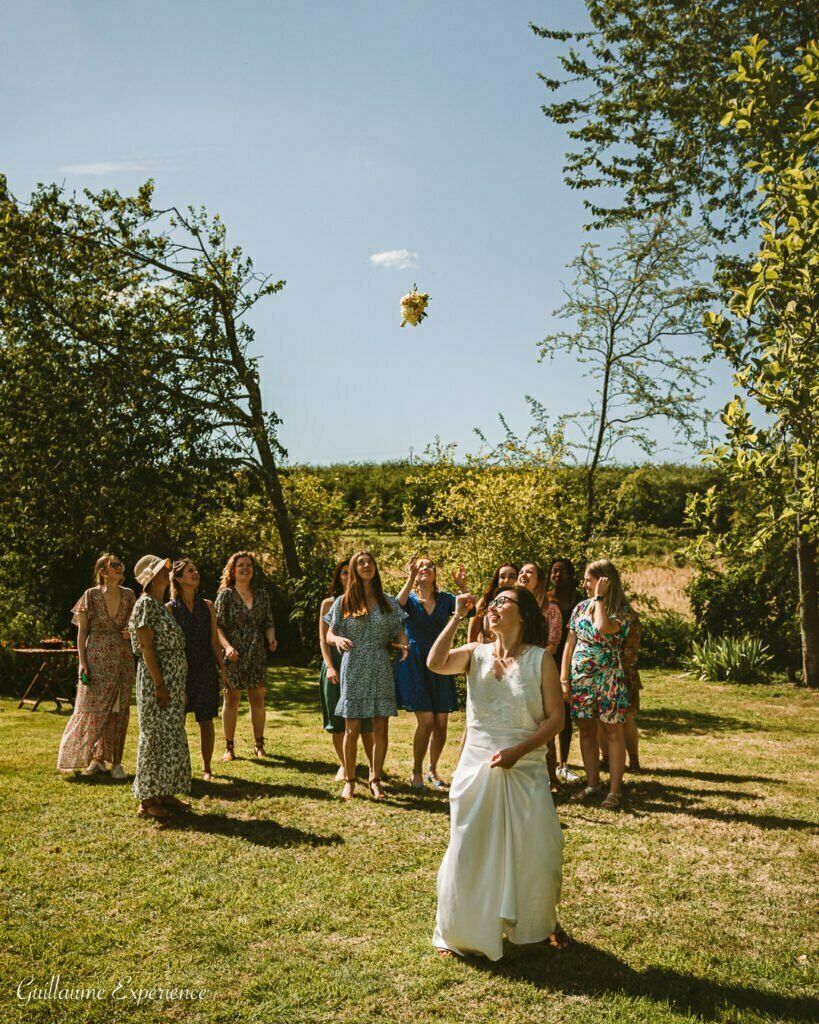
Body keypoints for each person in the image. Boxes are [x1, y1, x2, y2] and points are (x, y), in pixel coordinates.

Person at [428, 586, 567, 960]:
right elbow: (435, 663)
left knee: (537, 849)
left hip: (524, 764)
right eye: (492, 602)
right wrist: (457, 616)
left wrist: (519, 751)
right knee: (470, 848)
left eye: (503, 602)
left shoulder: (541, 660)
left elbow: (556, 719)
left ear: (522, 614)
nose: (493, 607)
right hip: (477, 765)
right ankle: (462, 930)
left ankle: (534, 925)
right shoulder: (475, 653)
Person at [324, 551, 409, 802]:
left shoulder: (389, 602)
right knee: (352, 728)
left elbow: (399, 632)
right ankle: (350, 780)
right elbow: (330, 634)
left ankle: (375, 778)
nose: (366, 565)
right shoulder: (343, 601)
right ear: (354, 569)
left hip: (380, 664)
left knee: (380, 726)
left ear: (375, 568)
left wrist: (404, 645)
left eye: (370, 562)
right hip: (354, 664)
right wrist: (337, 638)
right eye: (360, 562)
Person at [57, 554, 136, 779]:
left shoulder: (130, 595)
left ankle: (116, 762)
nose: (121, 567)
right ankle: (96, 759)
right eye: (115, 565)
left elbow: (136, 624)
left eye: (122, 564)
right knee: (91, 709)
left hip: (122, 657)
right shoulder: (90, 596)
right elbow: (82, 633)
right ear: (103, 571)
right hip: (96, 658)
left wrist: (131, 632)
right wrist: (82, 662)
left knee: (119, 710)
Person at [561, 558, 631, 810]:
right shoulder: (579, 608)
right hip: (581, 678)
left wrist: (599, 599)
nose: (584, 584)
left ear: (604, 581)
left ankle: (614, 790)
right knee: (586, 730)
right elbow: (570, 644)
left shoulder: (621, 610)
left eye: (589, 580)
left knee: (612, 731)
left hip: (609, 678)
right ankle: (593, 784)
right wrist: (564, 678)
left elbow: (602, 627)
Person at [394, 556, 468, 790]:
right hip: (415, 663)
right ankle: (416, 771)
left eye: (429, 566)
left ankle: (432, 769)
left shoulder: (446, 599)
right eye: (420, 566)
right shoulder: (410, 599)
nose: (425, 569)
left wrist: (463, 587)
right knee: (426, 722)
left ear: (436, 575)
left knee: (441, 723)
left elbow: (471, 608)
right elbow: (397, 605)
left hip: (440, 661)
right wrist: (410, 578)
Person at [130, 555, 192, 820]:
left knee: (171, 736)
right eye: (161, 570)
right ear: (152, 577)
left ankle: (165, 791)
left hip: (173, 683)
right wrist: (159, 685)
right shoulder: (145, 604)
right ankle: (147, 799)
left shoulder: (160, 605)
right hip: (157, 681)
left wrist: (178, 687)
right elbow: (145, 647)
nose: (167, 574)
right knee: (154, 737)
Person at [168, 559, 229, 782]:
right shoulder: (170, 608)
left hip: (205, 668)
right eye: (190, 571)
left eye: (196, 570)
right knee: (178, 720)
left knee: (206, 719)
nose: (196, 573)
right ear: (178, 578)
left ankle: (206, 768)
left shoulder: (208, 606)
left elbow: (214, 641)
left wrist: (222, 670)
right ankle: (178, 767)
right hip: (181, 670)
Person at [215, 551, 277, 761]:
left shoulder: (261, 595)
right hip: (233, 655)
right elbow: (217, 627)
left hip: (256, 653)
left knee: (257, 699)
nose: (245, 568)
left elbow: (268, 622)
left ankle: (259, 744)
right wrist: (227, 647)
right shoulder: (226, 595)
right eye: (240, 565)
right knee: (231, 699)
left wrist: (271, 639)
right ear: (232, 570)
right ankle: (229, 747)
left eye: (248, 565)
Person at [319, 560, 374, 780]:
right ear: (338, 577)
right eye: (343, 573)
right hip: (334, 665)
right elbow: (324, 639)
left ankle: (373, 768)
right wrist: (330, 666)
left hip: (359, 667)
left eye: (350, 573)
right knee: (337, 720)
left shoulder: (367, 602)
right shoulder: (329, 603)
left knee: (366, 723)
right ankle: (344, 764)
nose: (347, 577)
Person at [517, 562, 563, 791]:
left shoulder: (550, 609)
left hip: (540, 667)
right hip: (514, 668)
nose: (524, 575)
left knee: (545, 718)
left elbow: (553, 642)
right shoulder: (513, 605)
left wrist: (535, 660)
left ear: (540, 580)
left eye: (530, 572)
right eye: (521, 572)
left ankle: (550, 776)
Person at [549, 558, 582, 784]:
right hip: (548, 656)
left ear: (571, 575)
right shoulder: (545, 597)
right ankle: (548, 761)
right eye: (554, 571)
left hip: (571, 657)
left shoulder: (579, 600)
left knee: (566, 711)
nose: (557, 575)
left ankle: (564, 763)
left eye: (562, 571)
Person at [599, 606, 642, 772]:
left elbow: (630, 648)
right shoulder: (593, 608)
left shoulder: (625, 613)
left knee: (626, 718)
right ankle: (607, 758)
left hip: (623, 672)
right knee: (600, 719)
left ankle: (633, 761)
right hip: (600, 672)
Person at [467, 563, 519, 644]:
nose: (506, 580)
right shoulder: (485, 601)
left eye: (511, 577)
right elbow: (472, 637)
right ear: (497, 580)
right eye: (502, 577)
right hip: (485, 653)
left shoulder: (523, 603)